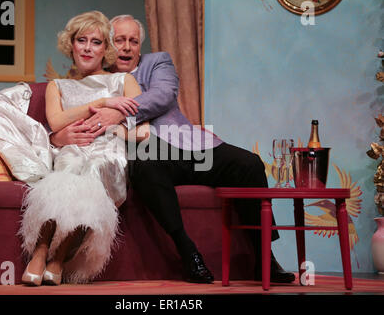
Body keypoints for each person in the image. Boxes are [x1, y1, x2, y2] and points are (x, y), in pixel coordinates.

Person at [51, 15, 295, 284]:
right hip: (144, 151)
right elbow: (73, 116)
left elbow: (163, 96)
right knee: (145, 164)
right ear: (109, 45)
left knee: (249, 164)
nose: (127, 47)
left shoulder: (157, 63)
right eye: (119, 40)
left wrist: (118, 114)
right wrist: (62, 135)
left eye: (133, 41)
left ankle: (265, 257)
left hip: (184, 143)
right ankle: (188, 253)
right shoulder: (100, 77)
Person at [20, 11, 146, 286]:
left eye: (97, 42)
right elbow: (56, 122)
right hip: (74, 148)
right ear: (71, 44)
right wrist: (102, 103)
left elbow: (143, 130)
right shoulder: (58, 86)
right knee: (70, 164)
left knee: (94, 169)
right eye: (82, 40)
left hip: (109, 154)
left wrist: (110, 127)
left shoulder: (123, 82)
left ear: (106, 49)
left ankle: (57, 256)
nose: (88, 48)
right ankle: (43, 252)